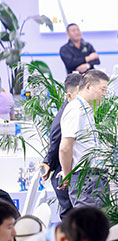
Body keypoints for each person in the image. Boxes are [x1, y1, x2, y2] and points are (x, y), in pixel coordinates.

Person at [58, 69, 109, 208]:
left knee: (99, 219)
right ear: (88, 86)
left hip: (93, 176)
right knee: (87, 219)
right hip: (85, 177)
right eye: (102, 89)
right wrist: (67, 174)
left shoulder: (86, 108)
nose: (104, 94)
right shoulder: (75, 110)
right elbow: (65, 148)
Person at [42, 73, 84, 220]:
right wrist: (48, 162)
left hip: (74, 171)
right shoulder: (66, 113)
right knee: (71, 217)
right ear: (69, 96)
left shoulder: (80, 110)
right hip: (65, 173)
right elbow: (56, 141)